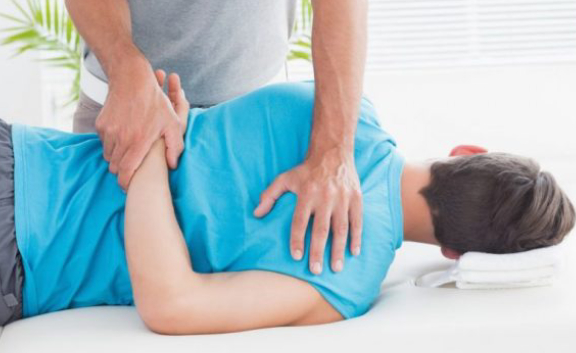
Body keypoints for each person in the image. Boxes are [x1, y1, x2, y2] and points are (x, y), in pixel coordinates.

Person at [0, 78, 576, 333]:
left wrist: (146, 148)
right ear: (460, 250)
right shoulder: (343, 283)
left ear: (467, 149)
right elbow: (172, 305)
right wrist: (143, 160)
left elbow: (175, 141)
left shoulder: (330, 108)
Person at [66, 1, 369, 277]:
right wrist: (125, 68)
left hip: (256, 127)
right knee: (101, 290)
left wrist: (334, 154)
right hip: (125, 113)